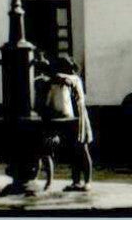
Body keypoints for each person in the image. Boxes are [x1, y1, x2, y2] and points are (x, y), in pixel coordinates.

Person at [43, 56, 93, 191]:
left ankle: (87, 181)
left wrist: (50, 73)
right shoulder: (63, 80)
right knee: (74, 151)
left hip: (80, 117)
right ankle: (76, 182)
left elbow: (64, 79)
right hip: (71, 118)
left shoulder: (74, 78)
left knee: (83, 149)